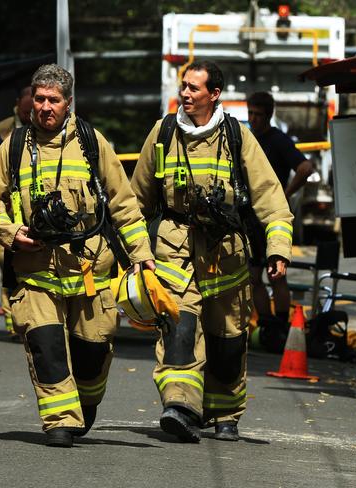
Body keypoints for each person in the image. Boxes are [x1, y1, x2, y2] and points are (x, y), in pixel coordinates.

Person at [0, 64, 155, 447]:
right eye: (38, 99)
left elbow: (123, 204)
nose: (44, 107)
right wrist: (10, 232)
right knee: (47, 346)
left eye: (53, 100)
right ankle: (59, 419)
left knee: (92, 353)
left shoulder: (92, 143)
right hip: (37, 271)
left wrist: (142, 255)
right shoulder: (16, 145)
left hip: (89, 271)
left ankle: (85, 403)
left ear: (68, 103)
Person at [131, 60, 294, 442]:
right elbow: (135, 201)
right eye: (183, 86)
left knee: (228, 338)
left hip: (227, 253)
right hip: (174, 247)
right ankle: (181, 406)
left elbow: (272, 197)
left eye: (194, 88)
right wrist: (138, 252)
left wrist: (277, 249)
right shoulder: (163, 132)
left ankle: (224, 413)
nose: (185, 94)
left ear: (214, 94)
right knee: (178, 327)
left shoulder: (238, 137)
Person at [247, 91, 313, 325]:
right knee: (253, 278)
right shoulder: (247, 140)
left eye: (258, 115)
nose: (253, 119)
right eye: (250, 113)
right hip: (250, 220)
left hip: (272, 218)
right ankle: (267, 325)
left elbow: (306, 167)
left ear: (269, 115)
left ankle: (282, 324)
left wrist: (284, 196)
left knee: (277, 276)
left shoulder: (278, 140)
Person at [0, 85, 34, 341]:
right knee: (7, 263)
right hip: (9, 213)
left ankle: (26, 319)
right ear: (18, 104)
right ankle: (14, 322)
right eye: (27, 109)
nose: (31, 115)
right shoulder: (2, 130)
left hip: (31, 210)